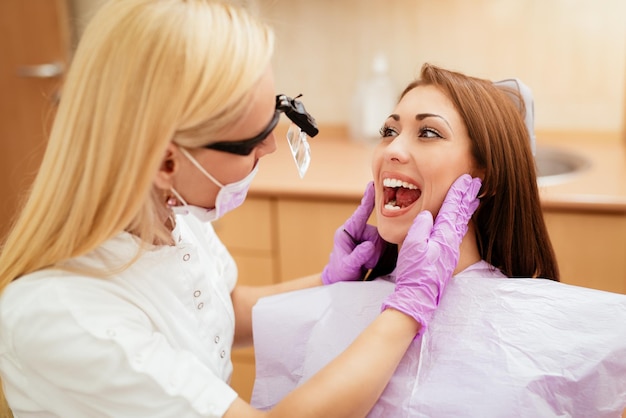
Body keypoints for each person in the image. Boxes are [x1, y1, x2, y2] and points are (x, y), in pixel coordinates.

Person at [0, 2, 482, 417]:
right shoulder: (66, 317)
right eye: (254, 139)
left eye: (278, 115)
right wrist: (407, 309)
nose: (271, 148)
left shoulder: (171, 213)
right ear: (167, 161)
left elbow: (217, 310)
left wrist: (328, 281)